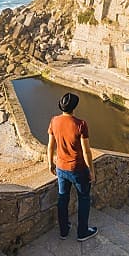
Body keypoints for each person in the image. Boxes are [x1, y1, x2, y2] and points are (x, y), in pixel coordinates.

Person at [47, 92, 98, 241]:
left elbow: (50, 146)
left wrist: (50, 163)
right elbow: (86, 151)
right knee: (83, 199)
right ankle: (82, 232)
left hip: (61, 168)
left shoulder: (54, 121)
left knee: (63, 198)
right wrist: (91, 171)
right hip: (78, 169)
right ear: (74, 107)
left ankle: (64, 230)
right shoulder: (80, 124)